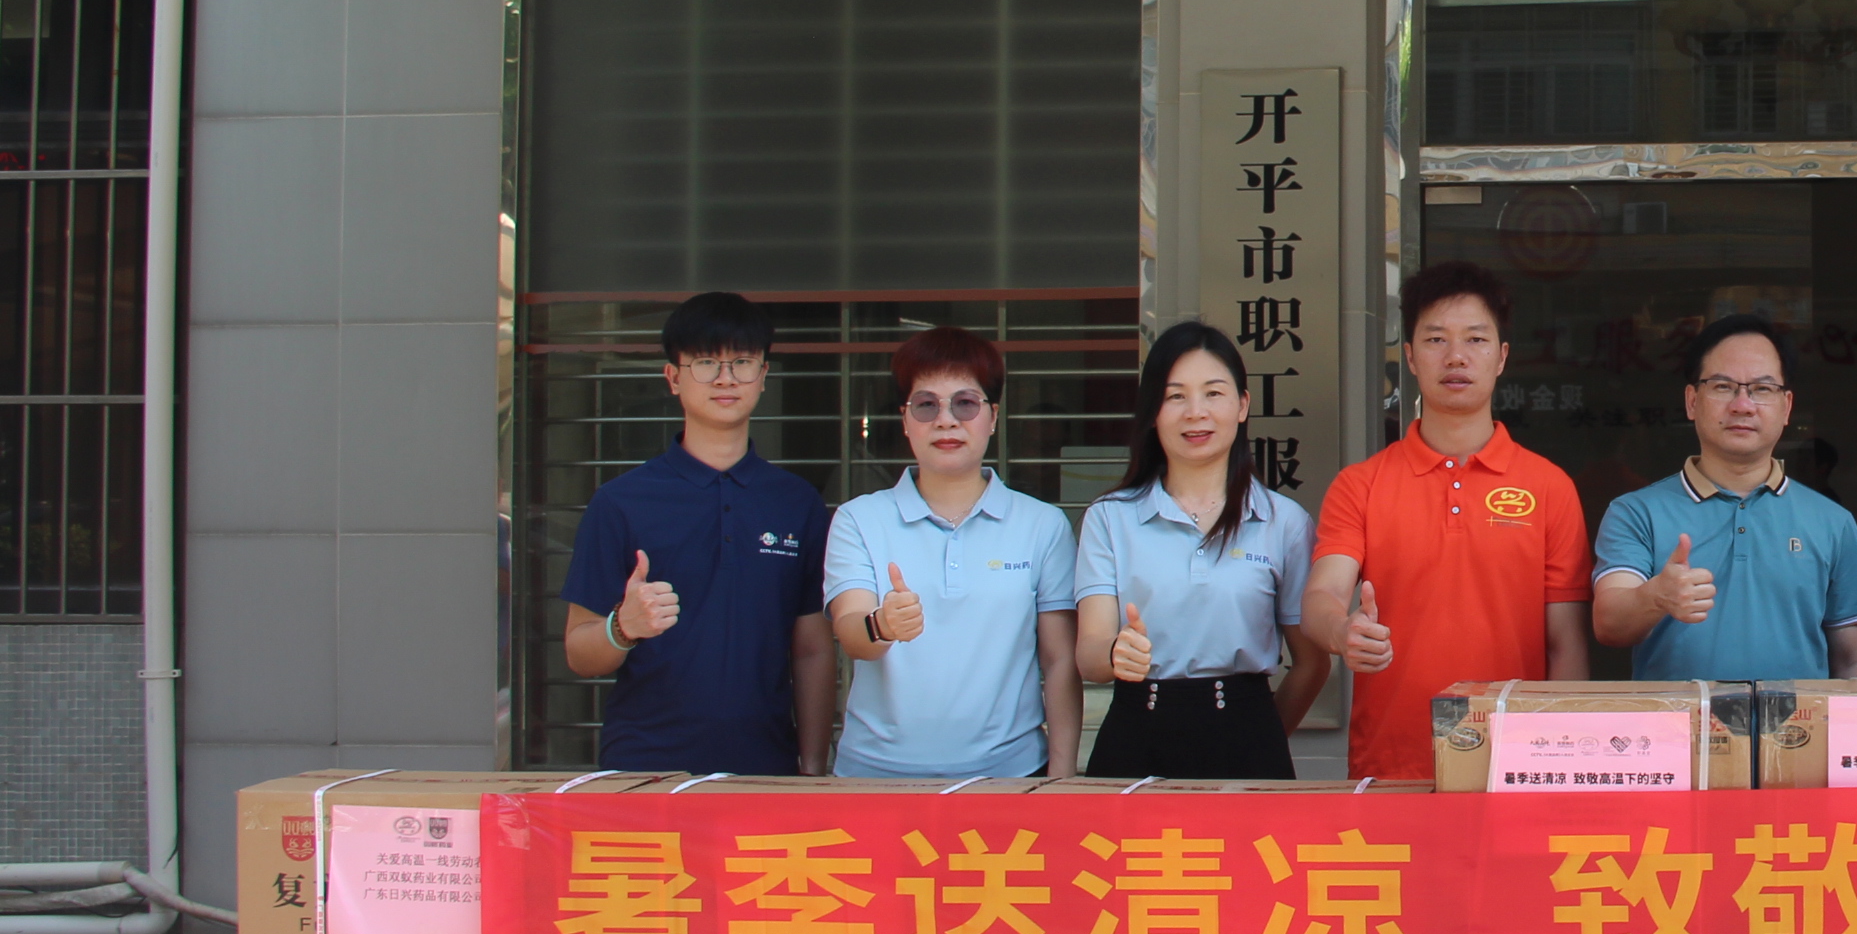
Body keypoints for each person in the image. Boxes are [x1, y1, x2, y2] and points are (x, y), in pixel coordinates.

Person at [1302, 261, 1591, 780]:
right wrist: (1342, 631)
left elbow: (1565, 643)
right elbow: (1321, 597)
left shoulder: (1549, 487)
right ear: (1411, 357)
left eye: (1476, 339)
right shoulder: (1360, 484)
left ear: (1502, 356)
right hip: (1391, 766)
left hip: (1514, 767)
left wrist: (1561, 760)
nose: (1456, 356)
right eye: (1436, 339)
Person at [559, 290, 833, 774]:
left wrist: (811, 766)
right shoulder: (621, 502)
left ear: (763, 375)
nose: (726, 378)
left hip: (766, 768)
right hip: (644, 769)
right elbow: (580, 653)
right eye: (706, 362)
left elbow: (811, 649)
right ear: (673, 377)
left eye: (742, 362)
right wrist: (623, 627)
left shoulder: (796, 502)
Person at [1075, 321, 1334, 778]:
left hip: (1247, 739)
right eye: (1175, 396)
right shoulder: (1109, 518)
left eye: (1213, 393)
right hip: (1135, 738)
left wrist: (1264, 737)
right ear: (1152, 412)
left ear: (1242, 405)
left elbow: (1311, 663)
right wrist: (1116, 652)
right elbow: (1089, 655)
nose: (1196, 413)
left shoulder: (1284, 522)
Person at [821, 326, 1081, 778]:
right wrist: (882, 625)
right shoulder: (858, 519)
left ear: (993, 416)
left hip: (1010, 776)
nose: (946, 420)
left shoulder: (1042, 525)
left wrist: (1060, 779)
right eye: (926, 405)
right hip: (873, 779)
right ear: (905, 420)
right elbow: (851, 632)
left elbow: (1059, 661)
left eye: (965, 403)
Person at [1593, 313, 1857, 680]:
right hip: (1680, 718)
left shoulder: (1833, 521)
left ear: (1787, 406)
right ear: (1692, 401)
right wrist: (1657, 596)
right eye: (1723, 386)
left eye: (1762, 389)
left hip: (1797, 719)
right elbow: (1609, 625)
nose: (1743, 405)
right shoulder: (1635, 512)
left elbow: (1853, 660)